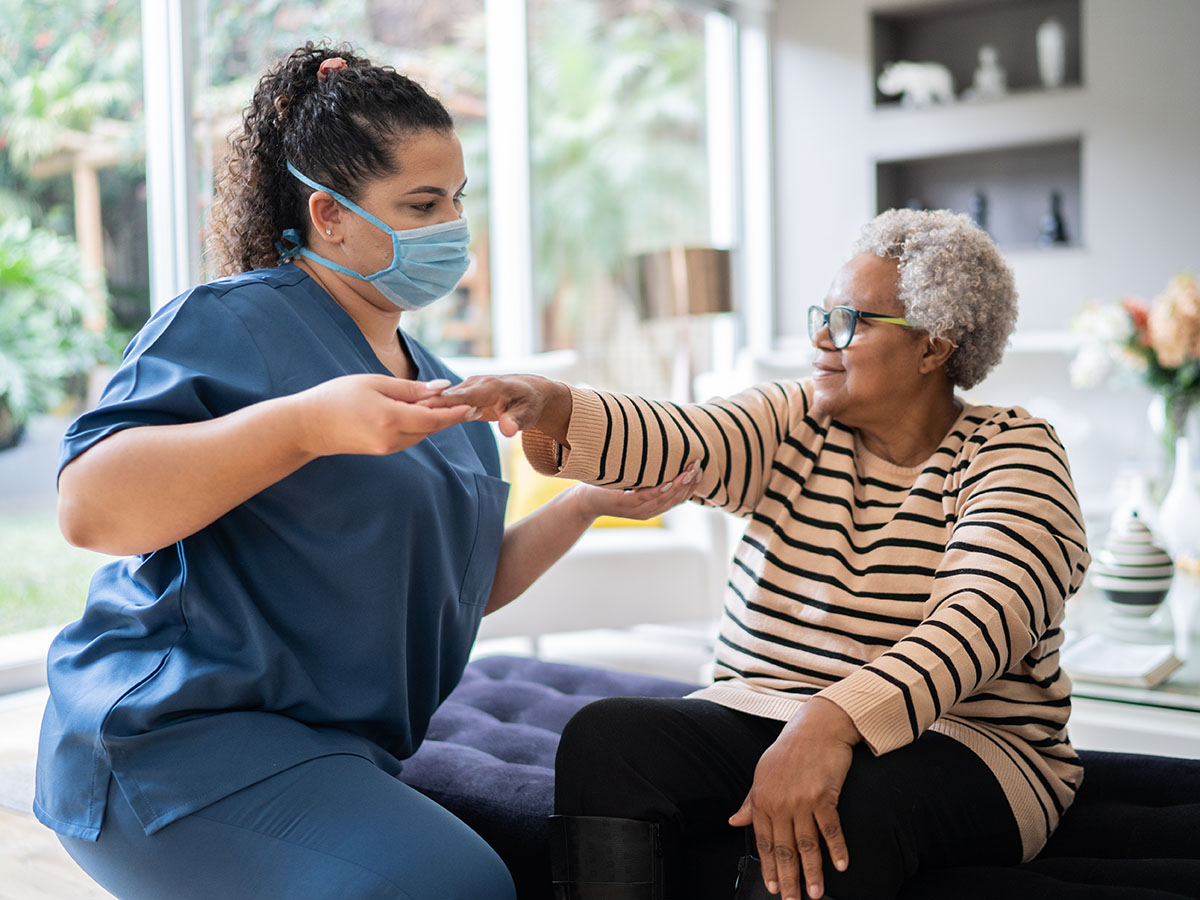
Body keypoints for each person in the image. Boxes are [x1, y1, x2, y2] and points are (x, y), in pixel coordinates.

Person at [34, 42, 697, 900]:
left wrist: (586, 506)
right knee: (458, 883)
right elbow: (91, 508)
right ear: (330, 214)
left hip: (335, 751)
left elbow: (453, 586)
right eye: (421, 204)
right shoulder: (230, 323)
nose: (450, 227)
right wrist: (306, 425)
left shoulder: (431, 377)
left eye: (457, 201)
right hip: (174, 744)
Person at [431, 208, 1091, 900]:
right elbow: (684, 437)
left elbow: (982, 620)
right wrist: (549, 405)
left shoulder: (1014, 451)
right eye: (821, 314)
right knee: (606, 738)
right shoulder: (798, 418)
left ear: (933, 348)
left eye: (849, 321)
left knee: (847, 806)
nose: (818, 339)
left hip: (963, 740)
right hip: (768, 710)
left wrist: (832, 722)